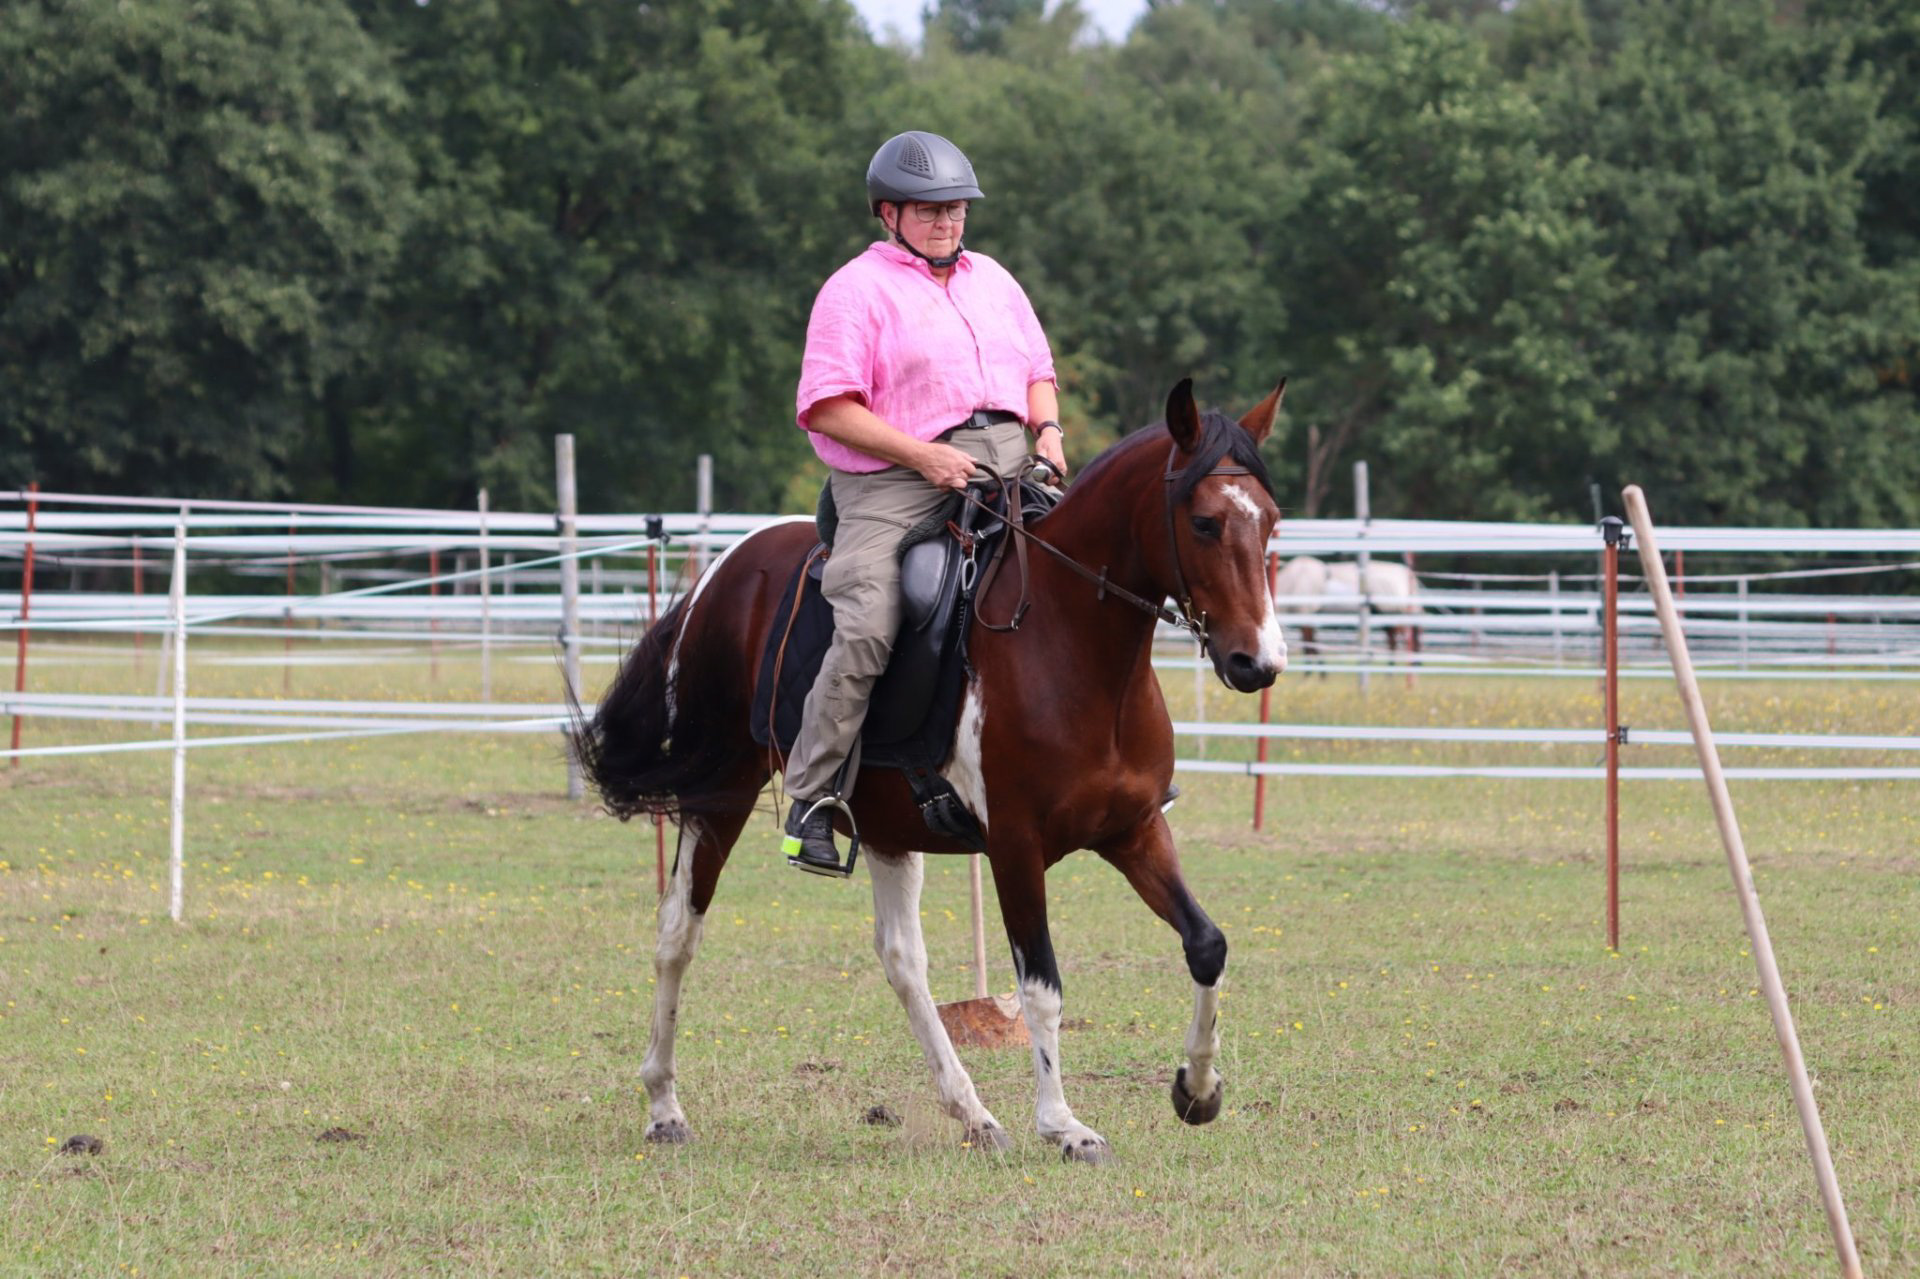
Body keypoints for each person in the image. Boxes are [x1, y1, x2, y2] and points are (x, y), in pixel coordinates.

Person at [781, 130, 1068, 876]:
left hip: (1010, 465)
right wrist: (923, 455)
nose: (948, 222)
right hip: (894, 477)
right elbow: (827, 408)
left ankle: (1117, 768)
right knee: (871, 620)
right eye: (931, 210)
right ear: (889, 213)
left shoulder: (994, 280)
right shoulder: (854, 290)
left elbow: (1037, 368)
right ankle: (812, 799)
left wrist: (1051, 431)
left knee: (1091, 576)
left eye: (957, 209)